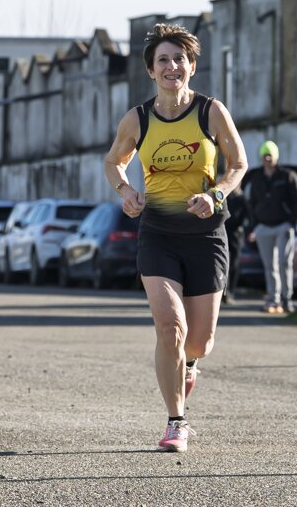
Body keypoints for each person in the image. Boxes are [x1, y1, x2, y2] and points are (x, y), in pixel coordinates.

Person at [102, 22, 248, 453]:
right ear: (151, 70)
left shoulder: (211, 112)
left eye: (179, 59)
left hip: (206, 235)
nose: (172, 67)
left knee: (199, 341)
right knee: (171, 328)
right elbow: (113, 161)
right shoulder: (138, 119)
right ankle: (176, 422)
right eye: (163, 60)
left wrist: (216, 195)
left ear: (192, 66)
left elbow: (238, 163)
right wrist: (126, 191)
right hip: (158, 234)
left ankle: (189, 363)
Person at [242, 140, 297, 314]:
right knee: (269, 265)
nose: (268, 159)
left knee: (284, 263)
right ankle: (273, 299)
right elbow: (251, 203)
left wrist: (292, 223)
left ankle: (287, 299)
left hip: (283, 226)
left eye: (270, 155)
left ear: (276, 157)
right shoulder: (257, 178)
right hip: (263, 227)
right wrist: (254, 227)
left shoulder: (287, 176)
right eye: (265, 155)